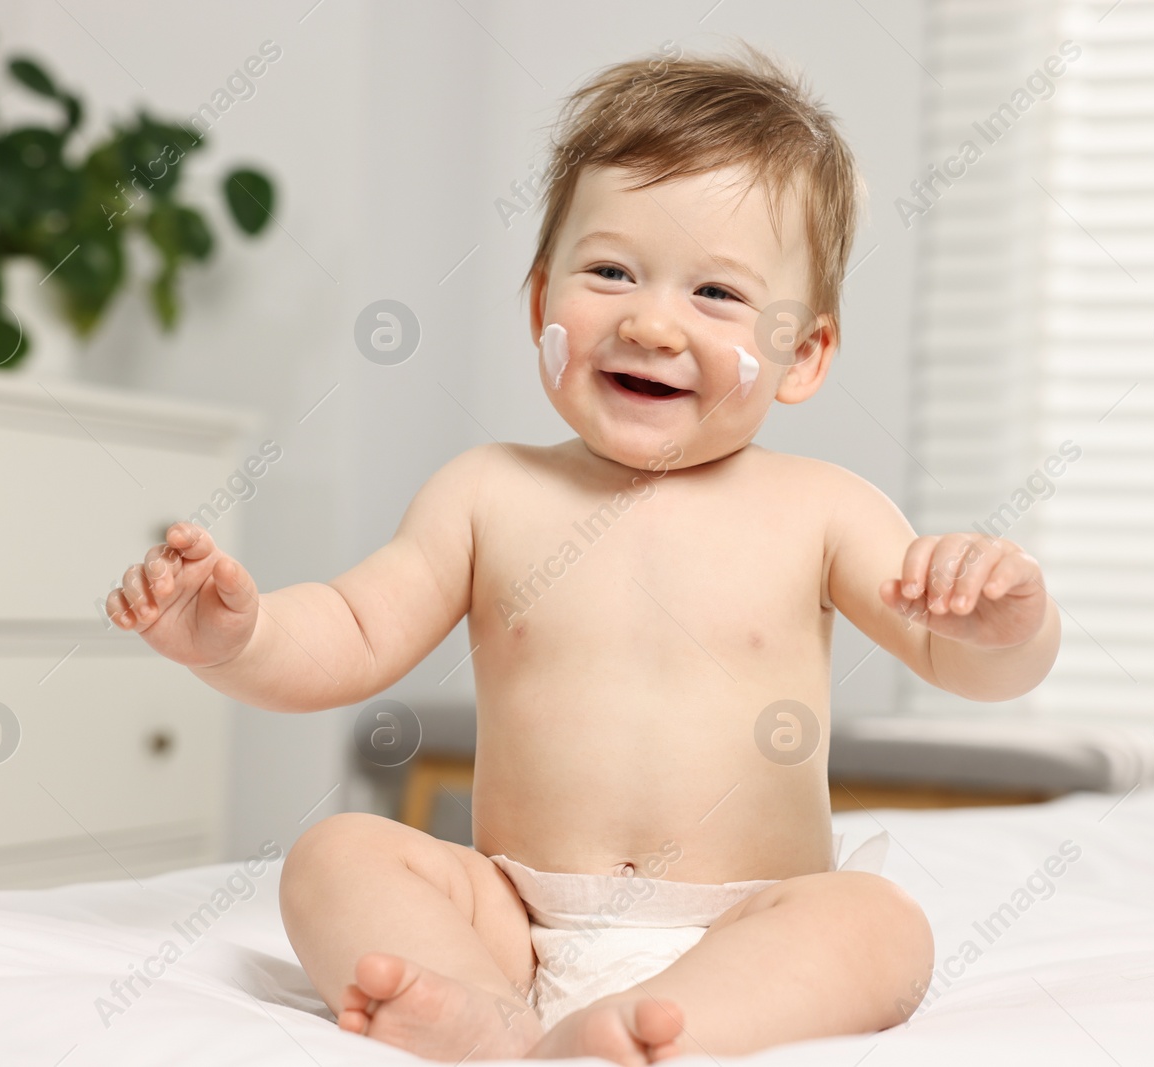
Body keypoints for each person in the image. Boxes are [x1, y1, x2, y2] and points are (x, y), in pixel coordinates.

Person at [107, 42, 1059, 1066]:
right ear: (537, 302)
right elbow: (350, 631)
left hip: (741, 920)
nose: (650, 321)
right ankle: (488, 1013)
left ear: (805, 354)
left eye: (717, 295)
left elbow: (961, 660)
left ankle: (674, 1024)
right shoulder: (488, 490)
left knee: (876, 923)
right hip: (513, 915)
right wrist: (238, 637)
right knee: (332, 854)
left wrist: (1007, 623)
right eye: (610, 272)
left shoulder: (822, 509)